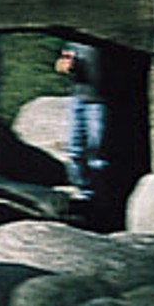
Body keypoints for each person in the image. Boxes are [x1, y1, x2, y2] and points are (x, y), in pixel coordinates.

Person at [56, 41, 106, 199]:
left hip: (99, 100)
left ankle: (99, 192)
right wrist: (68, 64)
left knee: (96, 149)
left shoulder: (104, 45)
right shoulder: (74, 43)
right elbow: (60, 66)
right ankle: (83, 189)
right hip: (78, 99)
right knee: (74, 149)